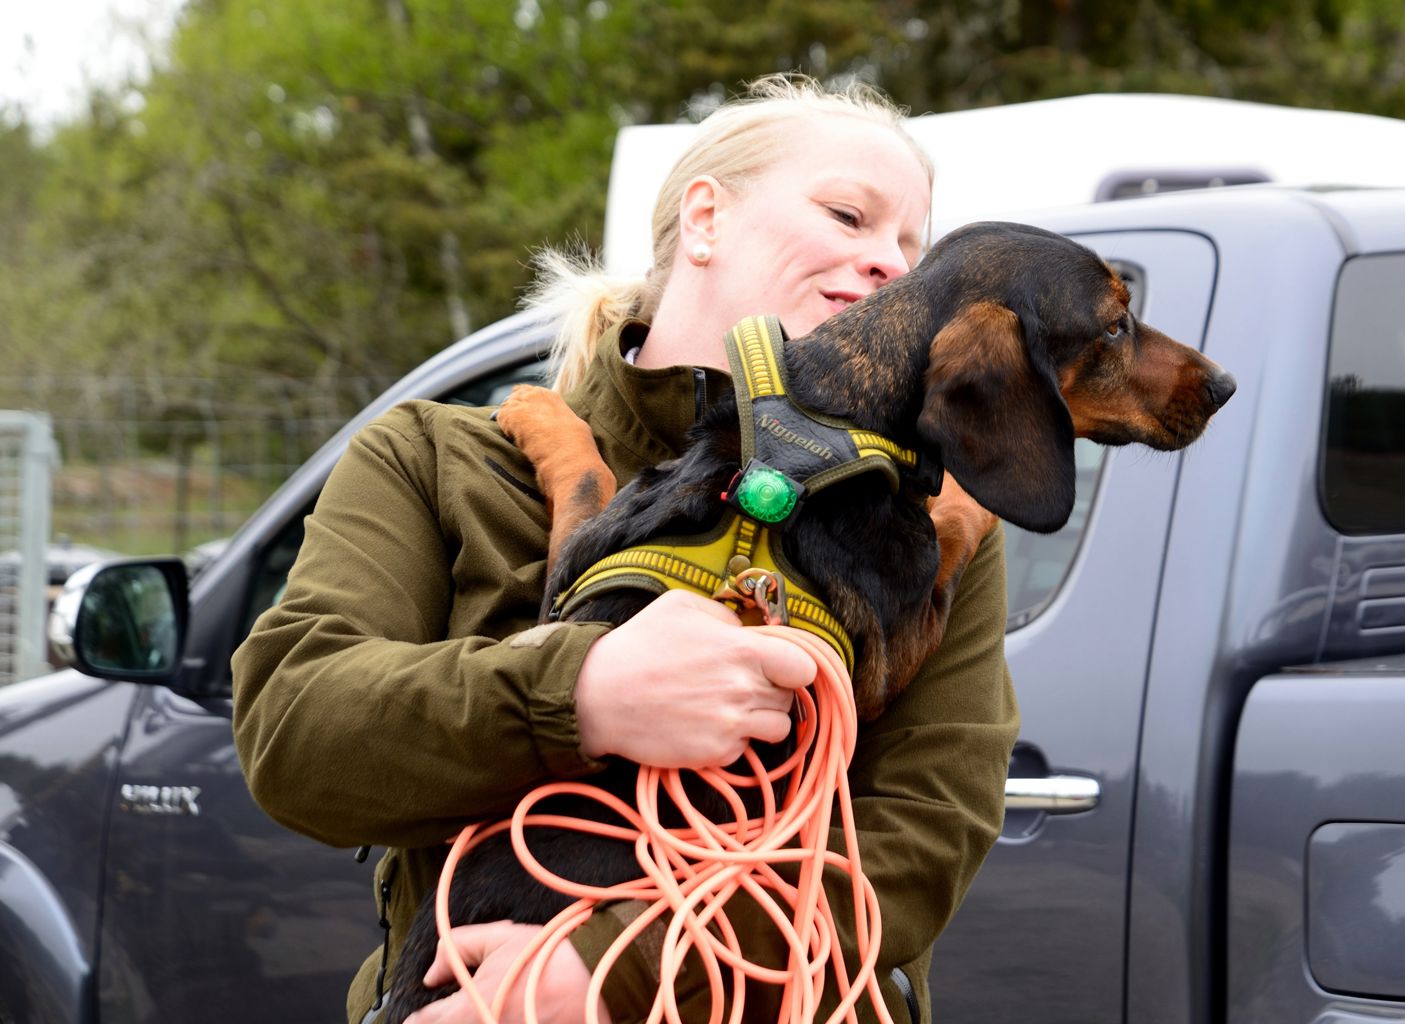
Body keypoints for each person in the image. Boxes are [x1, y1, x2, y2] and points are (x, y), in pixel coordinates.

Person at [231, 73, 1019, 1024]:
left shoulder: (928, 522)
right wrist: (586, 694)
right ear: (704, 220)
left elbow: (923, 843)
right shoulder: (437, 459)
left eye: (911, 246)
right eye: (850, 217)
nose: (892, 266)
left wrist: (606, 973)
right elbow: (295, 728)